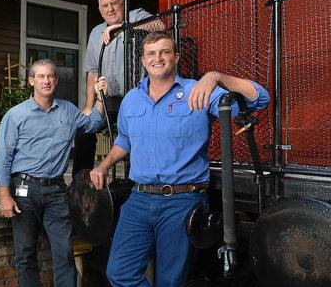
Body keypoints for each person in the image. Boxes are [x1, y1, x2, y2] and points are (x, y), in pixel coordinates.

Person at [89, 32, 270, 286]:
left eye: (164, 52)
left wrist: (216, 77)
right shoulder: (132, 99)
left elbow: (260, 99)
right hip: (138, 200)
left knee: (170, 281)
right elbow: (125, 141)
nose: (157, 58)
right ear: (143, 60)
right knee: (119, 272)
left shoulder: (198, 91)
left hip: (181, 200)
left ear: (176, 57)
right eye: (151, 53)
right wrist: (104, 165)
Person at [0, 59, 108, 287]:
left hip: (56, 191)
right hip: (24, 190)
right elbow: (2, 157)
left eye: (50, 76)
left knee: (64, 252)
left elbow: (93, 125)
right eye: (41, 77)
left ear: (56, 80)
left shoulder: (68, 110)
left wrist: (99, 97)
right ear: (32, 81)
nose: (46, 81)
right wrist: (4, 195)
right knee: (26, 254)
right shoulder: (16, 115)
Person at [72, 0, 160, 176]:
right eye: (105, 6)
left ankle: (136, 181)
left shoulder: (136, 15)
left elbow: (159, 25)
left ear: (123, 4)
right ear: (100, 9)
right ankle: (82, 182)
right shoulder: (96, 33)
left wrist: (122, 28)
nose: (110, 9)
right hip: (108, 100)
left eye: (114, 4)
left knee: (137, 136)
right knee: (83, 129)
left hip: (137, 98)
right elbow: (92, 72)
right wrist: (89, 106)